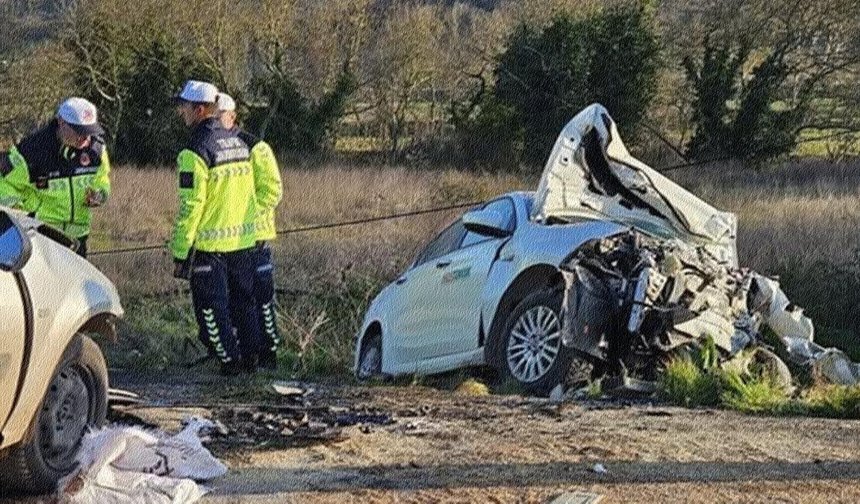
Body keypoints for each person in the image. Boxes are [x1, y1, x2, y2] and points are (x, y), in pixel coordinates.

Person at [170, 80, 262, 376]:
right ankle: (251, 359)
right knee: (245, 303)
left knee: (212, 309)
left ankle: (229, 364)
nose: (180, 111)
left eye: (183, 106)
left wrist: (181, 252)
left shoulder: (194, 151)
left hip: (210, 246)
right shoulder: (238, 142)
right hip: (243, 240)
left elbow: (191, 206)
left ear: (199, 110)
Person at [217, 92, 284, 370]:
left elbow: (272, 191)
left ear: (232, 116)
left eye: (220, 115)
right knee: (237, 303)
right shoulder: (214, 147)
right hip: (229, 241)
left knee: (262, 299)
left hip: (255, 238)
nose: (216, 120)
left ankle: (269, 353)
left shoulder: (256, 148)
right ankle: (246, 354)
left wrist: (247, 221)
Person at [0, 97, 111, 257]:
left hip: (78, 239)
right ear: (61, 122)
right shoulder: (31, 151)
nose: (85, 138)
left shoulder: (96, 149)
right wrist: (19, 214)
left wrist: (100, 194)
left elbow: (102, 179)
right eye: (79, 131)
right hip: (39, 237)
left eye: (90, 131)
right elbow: (4, 185)